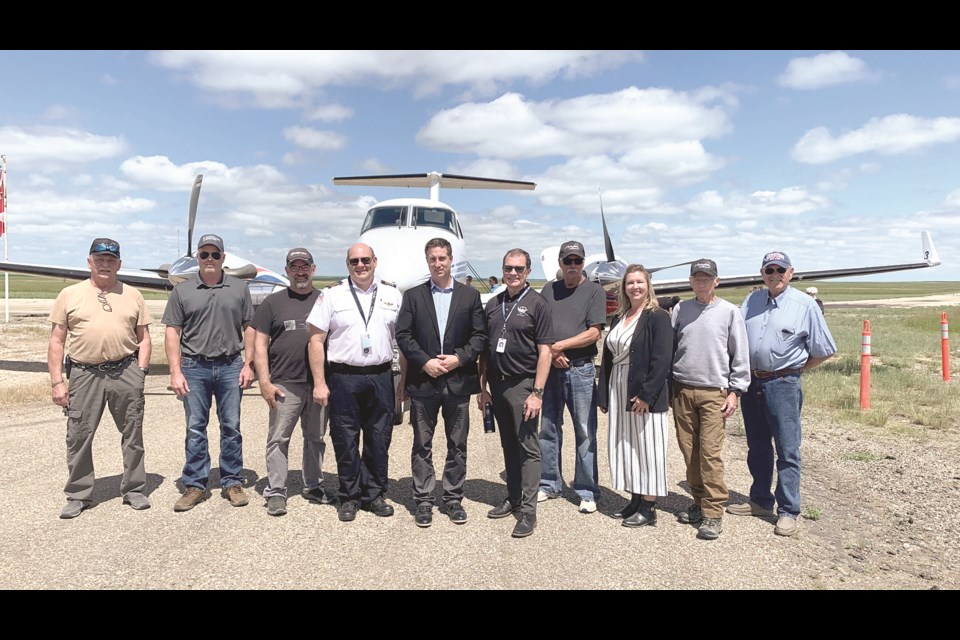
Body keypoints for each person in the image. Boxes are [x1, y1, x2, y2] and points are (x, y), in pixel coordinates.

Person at [730, 251, 837, 537]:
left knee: (788, 449)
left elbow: (824, 349)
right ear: (762, 274)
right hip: (752, 383)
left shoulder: (805, 305)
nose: (774, 274)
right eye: (769, 270)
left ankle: (788, 510)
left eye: (780, 270)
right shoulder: (752, 301)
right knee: (758, 445)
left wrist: (793, 370)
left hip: (784, 384)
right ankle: (760, 500)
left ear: (790, 273)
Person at [48, 238, 153, 519]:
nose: (105, 264)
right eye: (99, 259)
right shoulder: (69, 294)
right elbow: (57, 341)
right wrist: (58, 382)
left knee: (132, 432)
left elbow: (144, 339)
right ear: (89, 262)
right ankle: (79, 494)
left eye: (111, 260)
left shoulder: (133, 295)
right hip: (84, 373)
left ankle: (133, 489)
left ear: (119, 264)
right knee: (79, 435)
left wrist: (140, 372)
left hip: (125, 370)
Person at [307, 243, 403, 523]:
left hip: (381, 375)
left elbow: (404, 341)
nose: (360, 266)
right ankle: (349, 495)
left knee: (379, 437)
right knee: (345, 437)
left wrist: (402, 382)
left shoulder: (392, 295)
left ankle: (373, 494)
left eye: (365, 260)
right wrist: (319, 382)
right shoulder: (332, 295)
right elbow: (315, 341)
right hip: (343, 377)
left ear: (375, 261)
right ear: (347, 264)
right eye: (354, 261)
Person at [395, 238, 487, 527]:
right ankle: (423, 500)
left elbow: (480, 337)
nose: (438, 263)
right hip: (424, 382)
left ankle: (452, 498)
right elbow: (403, 335)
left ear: (450, 260)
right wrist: (425, 361)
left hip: (458, 382)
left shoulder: (469, 296)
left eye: (443, 258)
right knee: (422, 442)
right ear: (428, 261)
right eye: (433, 259)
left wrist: (459, 358)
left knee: (457, 443)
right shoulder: (413, 296)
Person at [164, 234, 256, 512]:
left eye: (215, 255)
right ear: (197, 259)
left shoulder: (239, 289)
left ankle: (231, 481)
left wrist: (248, 364)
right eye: (204, 255)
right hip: (194, 366)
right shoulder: (182, 291)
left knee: (231, 427)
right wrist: (175, 371)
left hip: (230, 365)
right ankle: (195, 484)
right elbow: (172, 331)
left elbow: (249, 327)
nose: (210, 260)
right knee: (195, 428)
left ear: (223, 258)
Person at [670, 259, 750, 540]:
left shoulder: (729, 312)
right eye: (697, 277)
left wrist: (735, 391)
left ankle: (714, 513)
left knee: (710, 453)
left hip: (714, 392)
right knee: (689, 450)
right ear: (690, 281)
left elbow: (740, 354)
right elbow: (671, 347)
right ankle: (698, 502)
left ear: (716, 281)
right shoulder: (680, 309)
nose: (702, 282)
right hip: (682, 389)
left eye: (707, 277)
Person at [252, 247, 334, 517]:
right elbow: (259, 343)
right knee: (278, 439)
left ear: (313, 269)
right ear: (287, 270)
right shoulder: (273, 303)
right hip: (285, 382)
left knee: (315, 437)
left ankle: (313, 485)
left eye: (305, 266)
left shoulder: (325, 300)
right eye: (294, 266)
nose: (300, 271)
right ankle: (276, 491)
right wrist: (264, 381)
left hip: (318, 383)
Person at [477, 248, 554, 538]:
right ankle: (512, 497)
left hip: (524, 384)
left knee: (528, 448)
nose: (513, 273)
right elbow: (485, 351)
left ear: (528, 271)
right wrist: (482, 387)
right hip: (497, 383)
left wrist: (537, 392)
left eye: (519, 269)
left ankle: (528, 510)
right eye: (508, 268)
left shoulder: (538, 304)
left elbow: (545, 351)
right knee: (508, 444)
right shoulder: (494, 303)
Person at [597, 264, 672, 528]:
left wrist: (646, 396)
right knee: (626, 446)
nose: (635, 287)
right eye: (630, 283)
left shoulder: (657, 316)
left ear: (648, 285)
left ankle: (649, 507)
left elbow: (662, 360)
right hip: (619, 388)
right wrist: (604, 395)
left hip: (643, 392)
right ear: (623, 287)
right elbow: (607, 357)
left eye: (640, 282)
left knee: (648, 448)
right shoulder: (620, 317)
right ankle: (635, 498)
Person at [537, 240, 606, 513]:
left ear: (583, 263)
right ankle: (548, 482)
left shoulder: (594, 291)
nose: (573, 266)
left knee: (585, 431)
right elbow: (539, 326)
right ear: (561, 264)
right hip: (551, 368)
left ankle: (587, 490)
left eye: (578, 261)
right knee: (549, 428)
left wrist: (559, 346)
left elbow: (594, 332)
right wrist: (552, 354)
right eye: (568, 261)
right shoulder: (548, 290)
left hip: (581, 369)